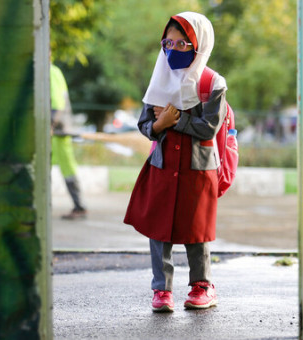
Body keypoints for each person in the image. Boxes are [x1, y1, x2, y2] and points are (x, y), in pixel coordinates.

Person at [123, 12, 227, 312]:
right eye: (168, 42)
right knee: (160, 230)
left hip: (198, 168)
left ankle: (202, 286)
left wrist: (174, 119)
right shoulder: (160, 77)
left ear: (199, 45)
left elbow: (208, 128)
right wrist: (158, 126)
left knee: (196, 230)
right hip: (163, 165)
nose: (173, 49)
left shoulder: (213, 84)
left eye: (183, 44)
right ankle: (162, 290)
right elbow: (144, 125)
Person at [50, 63, 87, 220]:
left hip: (57, 131)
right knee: (64, 168)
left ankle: (79, 206)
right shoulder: (54, 70)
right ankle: (78, 206)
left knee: (65, 169)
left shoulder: (50, 71)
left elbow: (57, 103)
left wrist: (50, 125)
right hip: (59, 130)